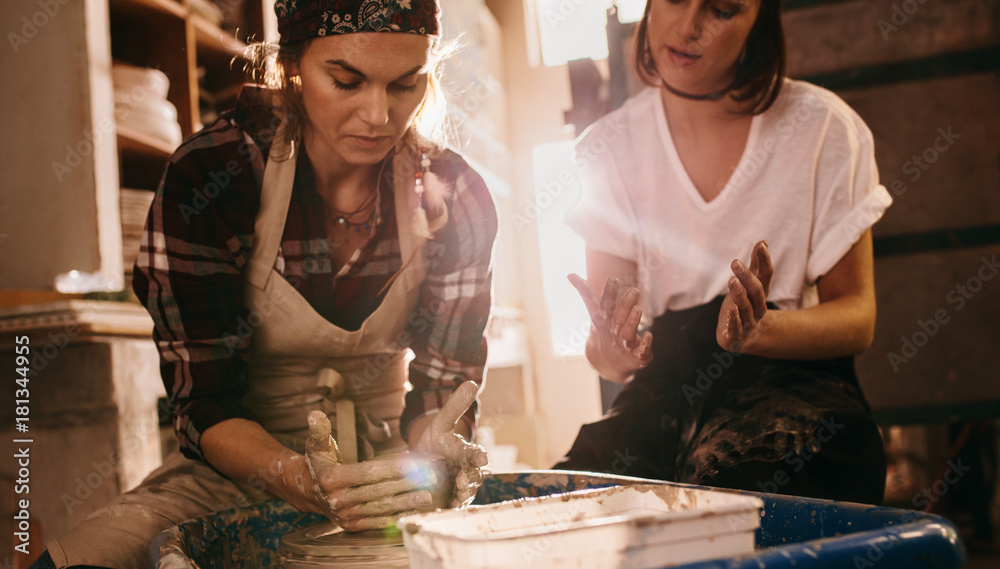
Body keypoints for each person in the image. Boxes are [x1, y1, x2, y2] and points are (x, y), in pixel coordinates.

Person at [36, 1, 496, 567]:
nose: (378, 115)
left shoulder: (456, 194)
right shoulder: (213, 176)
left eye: (406, 84)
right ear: (293, 66)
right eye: (346, 81)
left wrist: (438, 451)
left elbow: (440, 391)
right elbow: (205, 403)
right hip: (241, 466)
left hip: (391, 472)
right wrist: (293, 475)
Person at [557, 0, 892, 504]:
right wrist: (614, 347)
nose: (689, 27)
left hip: (789, 378)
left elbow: (858, 318)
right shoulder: (607, 148)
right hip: (664, 387)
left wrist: (762, 331)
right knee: (576, 498)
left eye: (722, 9)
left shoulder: (823, 128)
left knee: (742, 495)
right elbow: (610, 361)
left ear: (760, 24)